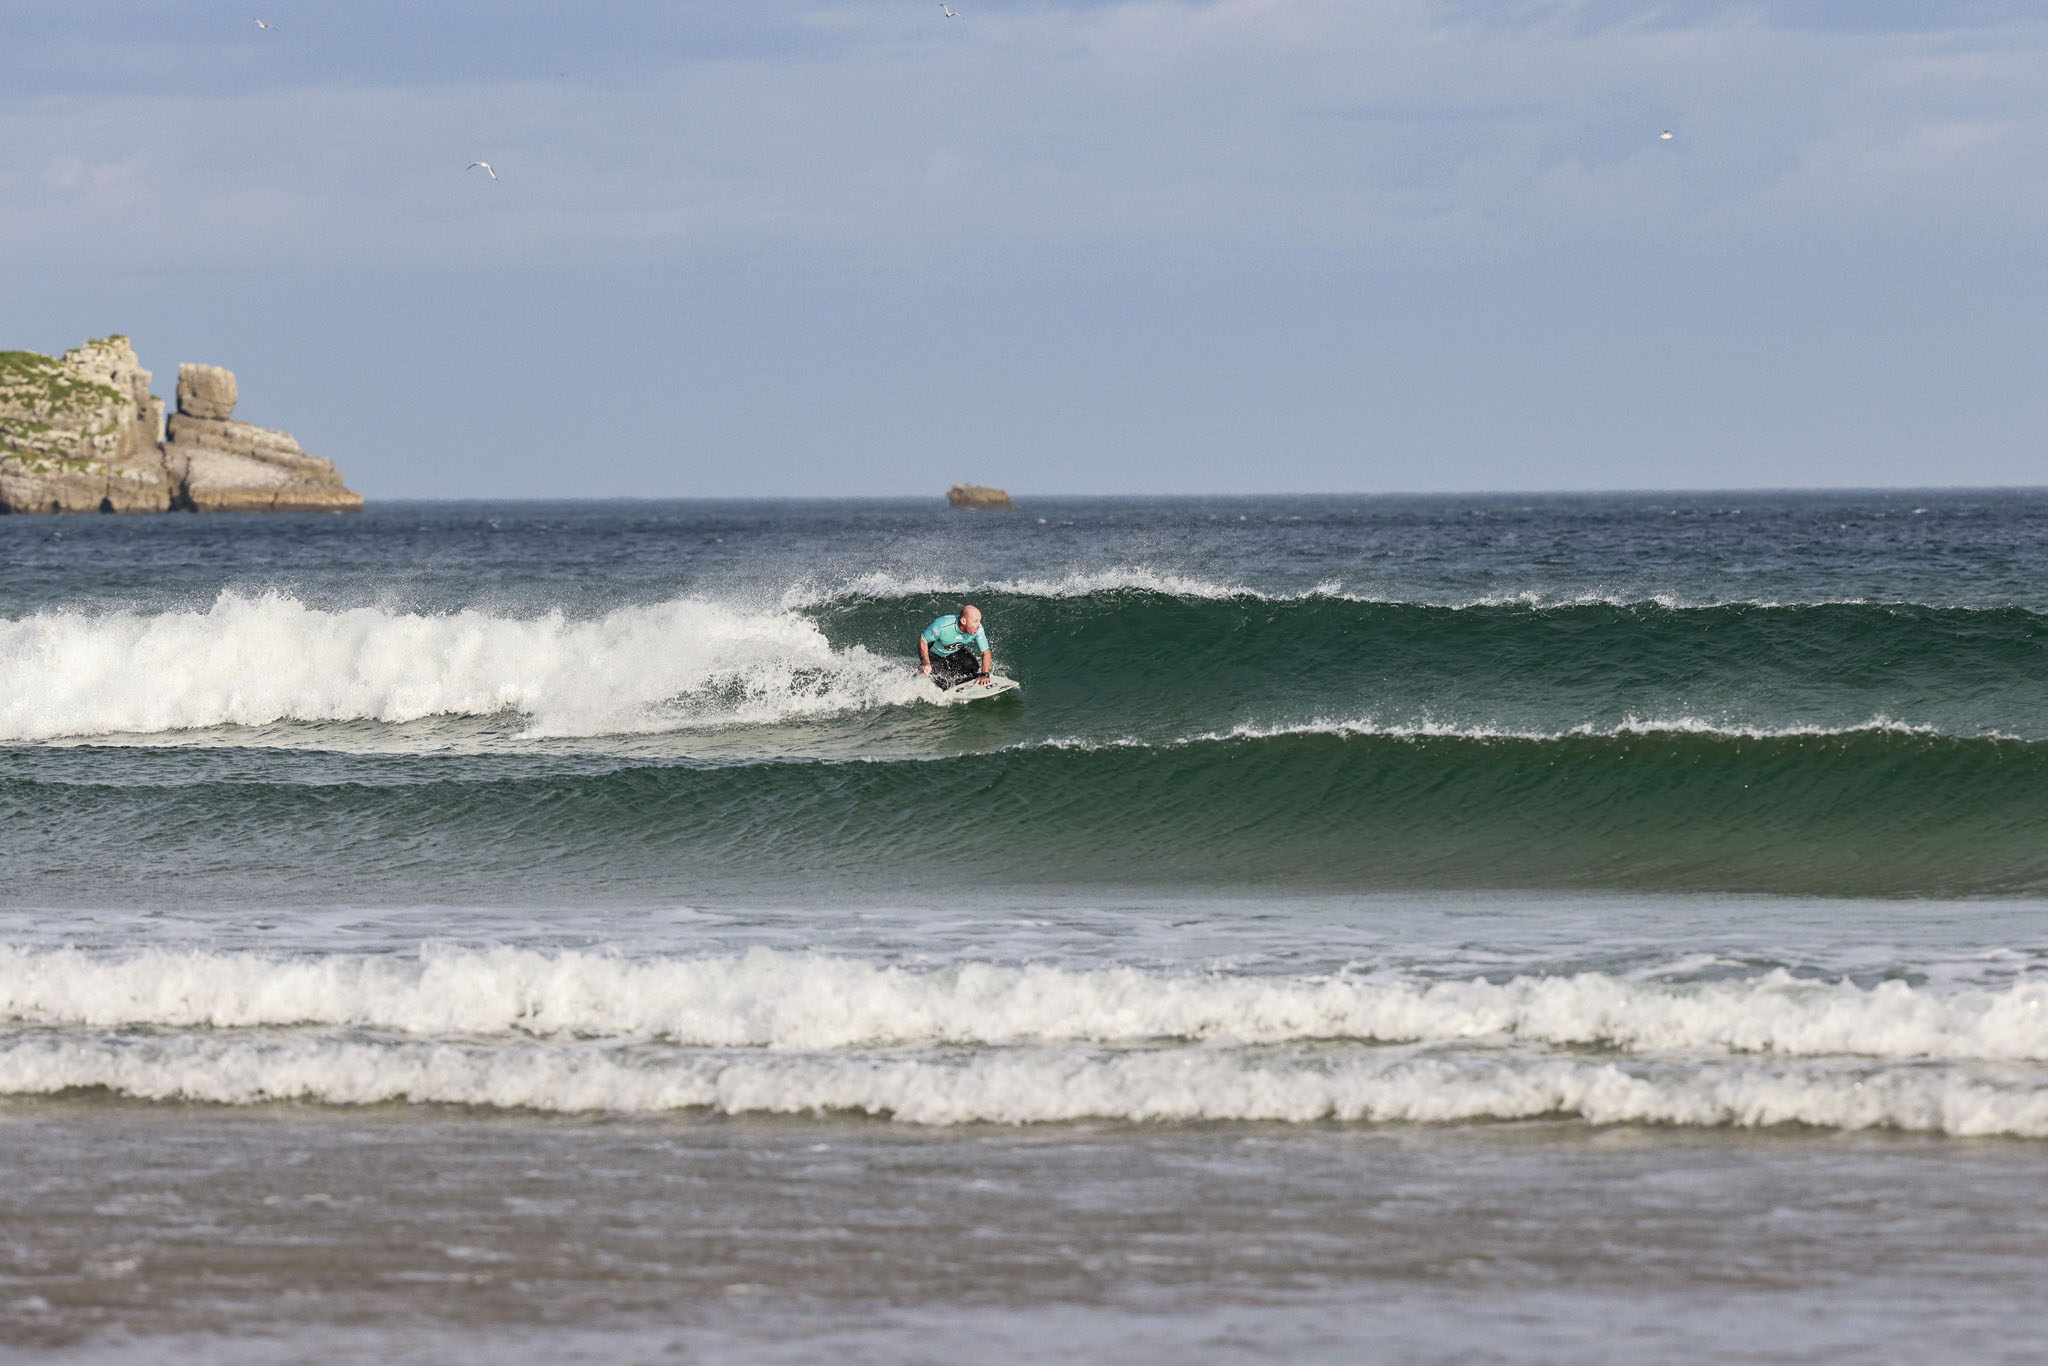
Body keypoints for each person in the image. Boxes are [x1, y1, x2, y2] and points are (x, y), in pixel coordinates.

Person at [918, 603, 993, 688]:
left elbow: (985, 652)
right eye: (975, 621)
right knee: (943, 682)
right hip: (933, 653)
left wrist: (985, 674)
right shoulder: (942, 626)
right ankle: (921, 672)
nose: (979, 625)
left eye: (979, 621)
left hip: (953, 650)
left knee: (973, 668)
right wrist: (926, 663)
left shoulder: (978, 629)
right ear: (963, 621)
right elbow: (923, 639)